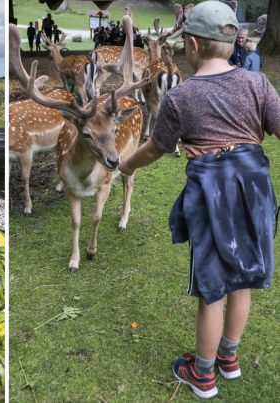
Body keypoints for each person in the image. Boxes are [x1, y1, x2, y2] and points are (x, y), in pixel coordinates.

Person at [118, 1, 280, 399]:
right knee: (243, 277)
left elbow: (156, 148)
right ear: (232, 43)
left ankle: (203, 374)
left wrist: (125, 166)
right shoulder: (257, 84)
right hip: (255, 189)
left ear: (191, 44)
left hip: (214, 196)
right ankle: (229, 358)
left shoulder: (181, 97)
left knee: (212, 288)